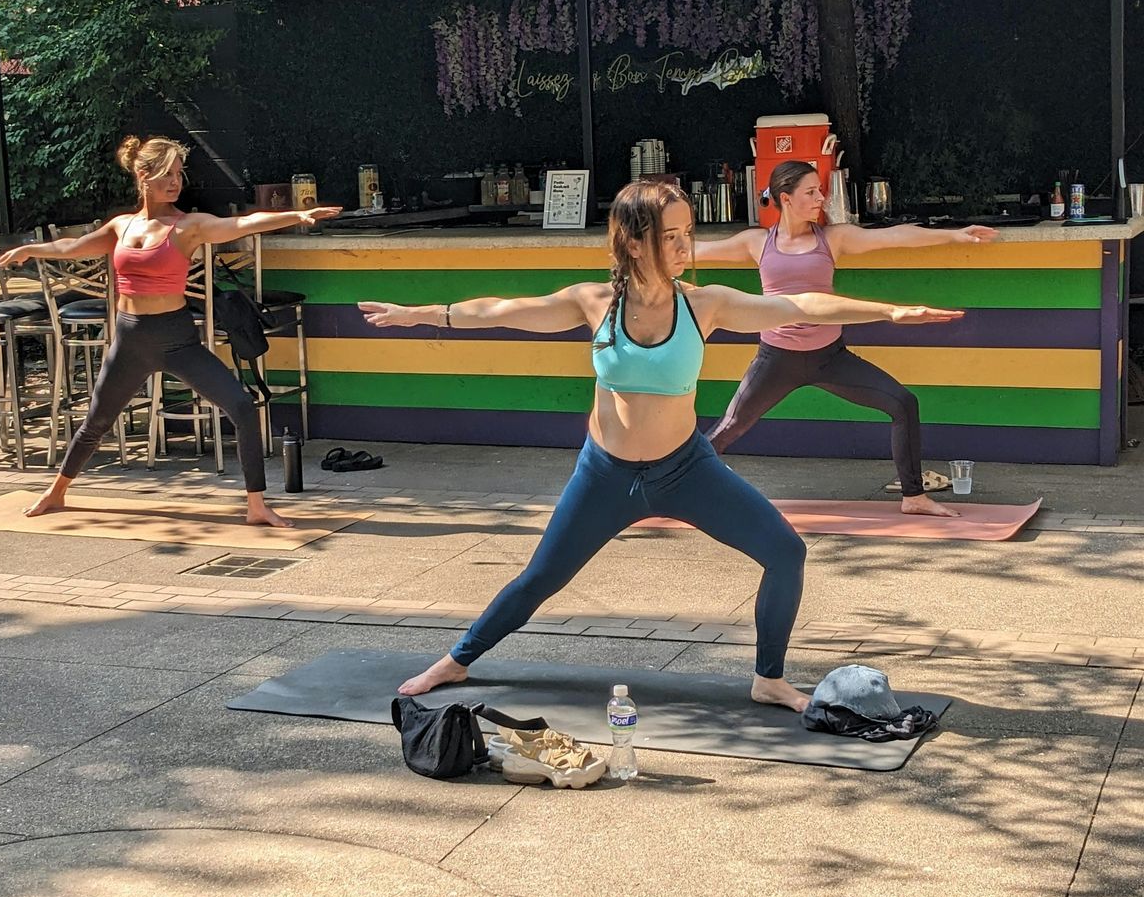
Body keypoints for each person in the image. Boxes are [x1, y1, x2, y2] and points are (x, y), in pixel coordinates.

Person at [361, 177, 963, 709]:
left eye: (687, 235)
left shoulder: (706, 305)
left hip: (686, 470)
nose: (684, 249)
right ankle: (457, 661)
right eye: (670, 237)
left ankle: (770, 679)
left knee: (786, 552)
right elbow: (501, 310)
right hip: (605, 475)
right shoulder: (592, 302)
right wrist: (422, 313)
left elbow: (799, 302)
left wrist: (889, 312)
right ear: (632, 241)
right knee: (540, 578)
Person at [0, 135, 340, 526]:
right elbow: (74, 247)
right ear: (143, 176)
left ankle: (256, 505)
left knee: (242, 407)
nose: (176, 182)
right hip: (129, 339)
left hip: (177, 339)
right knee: (97, 421)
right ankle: (56, 492)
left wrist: (295, 216)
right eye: (166, 174)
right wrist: (31, 250)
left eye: (179, 174)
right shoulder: (121, 227)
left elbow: (241, 223)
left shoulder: (188, 226)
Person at [697, 161, 997, 517]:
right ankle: (673, 486)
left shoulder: (832, 238)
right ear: (785, 198)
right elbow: (692, 249)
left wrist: (953, 234)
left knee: (902, 403)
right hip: (776, 359)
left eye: (819, 190)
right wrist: (642, 241)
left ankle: (914, 496)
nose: (820, 198)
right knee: (726, 430)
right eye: (810, 192)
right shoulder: (757, 242)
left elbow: (893, 236)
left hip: (830, 357)